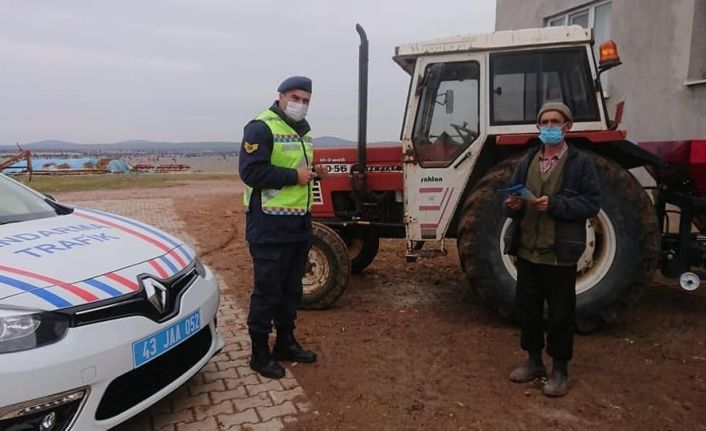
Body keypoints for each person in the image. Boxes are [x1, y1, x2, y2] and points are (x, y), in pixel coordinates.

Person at [503, 102, 601, 397]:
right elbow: (509, 197)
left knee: (560, 314)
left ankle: (560, 370)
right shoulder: (527, 160)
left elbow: (591, 203)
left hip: (559, 254)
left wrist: (555, 204)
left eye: (554, 121)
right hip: (528, 250)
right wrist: (512, 204)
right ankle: (533, 362)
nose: (548, 126)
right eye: (544, 122)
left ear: (567, 127)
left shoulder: (580, 163)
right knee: (527, 310)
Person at [239, 76, 323, 379]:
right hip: (269, 226)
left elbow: (297, 171)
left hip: (298, 225)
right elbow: (251, 172)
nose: (300, 104)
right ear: (281, 96)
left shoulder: (303, 129)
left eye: (305, 100)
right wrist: (294, 177)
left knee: (291, 290)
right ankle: (259, 354)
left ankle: (285, 343)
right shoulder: (260, 127)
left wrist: (310, 175)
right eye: (295, 97)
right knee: (267, 293)